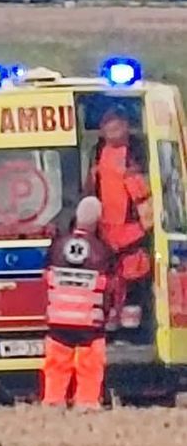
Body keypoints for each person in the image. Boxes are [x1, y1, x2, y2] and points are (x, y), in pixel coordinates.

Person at [86, 105, 154, 328]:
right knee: (110, 286)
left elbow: (145, 194)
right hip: (107, 234)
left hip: (133, 233)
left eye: (116, 126)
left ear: (125, 126)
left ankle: (133, 329)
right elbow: (91, 189)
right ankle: (114, 324)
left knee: (135, 284)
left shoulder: (137, 151)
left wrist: (144, 227)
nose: (111, 131)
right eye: (107, 127)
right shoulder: (97, 152)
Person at [41, 196, 112, 409]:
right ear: (98, 221)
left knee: (56, 364)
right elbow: (109, 287)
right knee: (90, 365)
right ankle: (87, 403)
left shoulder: (57, 246)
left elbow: (46, 277)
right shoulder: (102, 251)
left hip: (59, 319)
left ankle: (53, 401)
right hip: (89, 322)